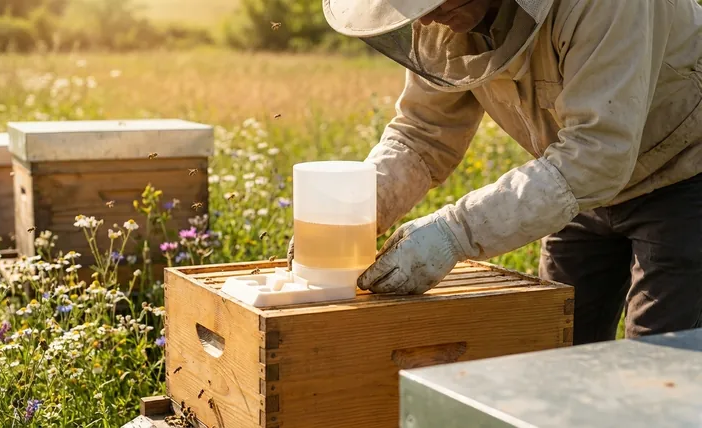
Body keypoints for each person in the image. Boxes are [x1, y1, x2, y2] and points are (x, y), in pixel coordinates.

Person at [287, 0, 702, 345]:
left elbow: (599, 153)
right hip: (573, 187)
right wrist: (359, 210)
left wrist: (455, 234)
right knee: (560, 350)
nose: (427, 17)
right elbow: (423, 133)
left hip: (683, 174)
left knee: (660, 359)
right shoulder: (445, 22)